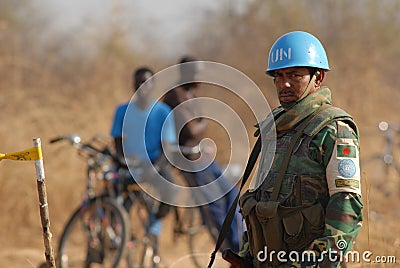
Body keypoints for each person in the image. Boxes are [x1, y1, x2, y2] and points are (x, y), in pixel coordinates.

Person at [236, 31, 363, 267]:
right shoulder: (274, 128)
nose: (284, 83)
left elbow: (347, 205)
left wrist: (323, 261)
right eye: (279, 75)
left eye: (294, 75)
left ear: (318, 77)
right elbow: (262, 200)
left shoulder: (333, 129)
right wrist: (247, 252)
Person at [163, 56, 243, 251]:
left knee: (233, 195)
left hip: (205, 158)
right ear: (186, 73)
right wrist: (202, 123)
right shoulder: (175, 93)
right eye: (197, 72)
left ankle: (241, 244)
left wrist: (201, 125)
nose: (201, 77)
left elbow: (199, 127)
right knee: (214, 207)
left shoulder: (191, 93)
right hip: (189, 160)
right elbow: (192, 130)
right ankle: (231, 251)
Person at [110, 67, 177, 239]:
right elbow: (117, 143)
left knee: (171, 190)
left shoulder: (163, 112)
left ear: (153, 85)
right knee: (112, 196)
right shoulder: (122, 111)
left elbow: (167, 150)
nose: (142, 86)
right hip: (130, 165)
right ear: (133, 85)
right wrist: (124, 161)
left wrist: (154, 168)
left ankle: (155, 224)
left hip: (154, 164)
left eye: (146, 82)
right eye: (138, 82)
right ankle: (116, 234)